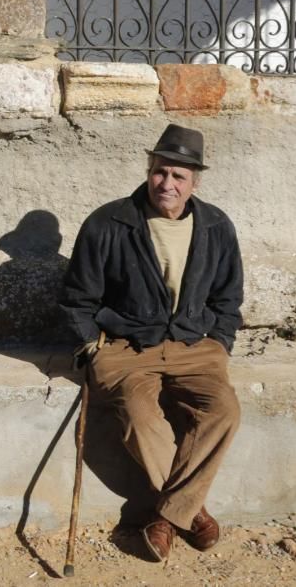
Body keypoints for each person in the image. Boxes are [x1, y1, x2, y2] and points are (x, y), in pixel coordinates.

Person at [61, 123, 243, 561]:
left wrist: (219, 342)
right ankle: (191, 514)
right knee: (138, 417)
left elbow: (229, 296)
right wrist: (92, 346)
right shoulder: (109, 222)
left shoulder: (216, 226)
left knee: (224, 411)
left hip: (194, 346)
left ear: (194, 182)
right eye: (161, 172)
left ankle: (167, 517)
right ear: (149, 171)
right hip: (125, 347)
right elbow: (76, 299)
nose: (168, 183)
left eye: (179, 176)